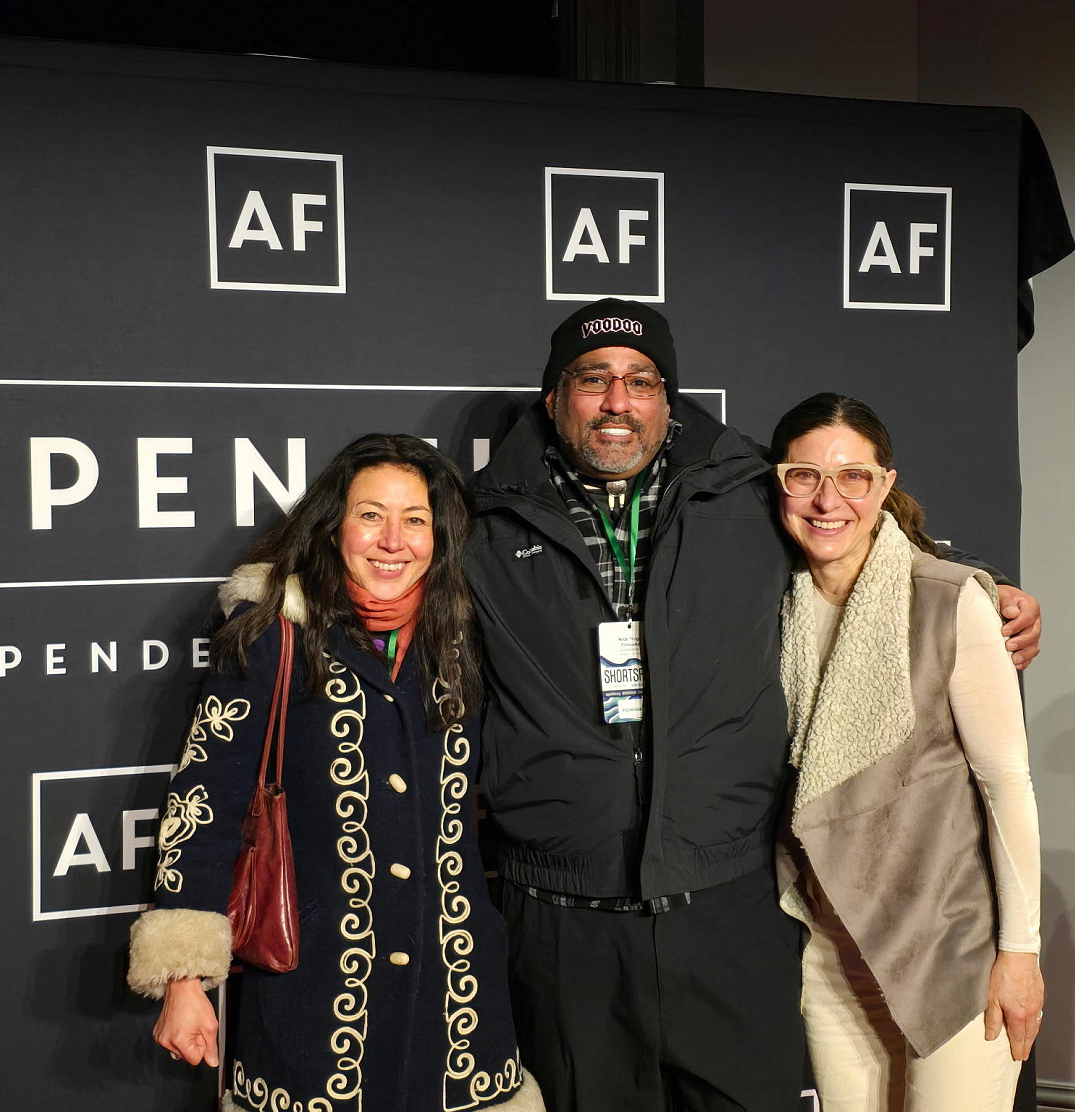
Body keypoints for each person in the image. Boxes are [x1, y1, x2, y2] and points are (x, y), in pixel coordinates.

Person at [463, 298, 1042, 1112]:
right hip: (565, 921)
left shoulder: (740, 488)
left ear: (670, 397)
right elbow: (374, 583)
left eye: (640, 380)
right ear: (555, 397)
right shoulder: (477, 519)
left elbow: (855, 541)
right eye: (592, 379)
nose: (617, 401)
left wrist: (980, 586)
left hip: (727, 911)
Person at [127, 434, 543, 1112]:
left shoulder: (466, 638)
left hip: (457, 1009)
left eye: (415, 520)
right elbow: (205, 800)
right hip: (312, 1001)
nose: (393, 540)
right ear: (333, 527)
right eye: (371, 515)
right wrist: (183, 978)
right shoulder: (272, 634)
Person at [770, 393, 1043, 1112]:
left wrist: (1021, 954)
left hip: (952, 955)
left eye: (853, 476)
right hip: (834, 955)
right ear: (779, 484)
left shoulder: (950, 601)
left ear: (886, 485)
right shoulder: (775, 606)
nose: (828, 500)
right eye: (804, 475)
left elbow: (1006, 785)